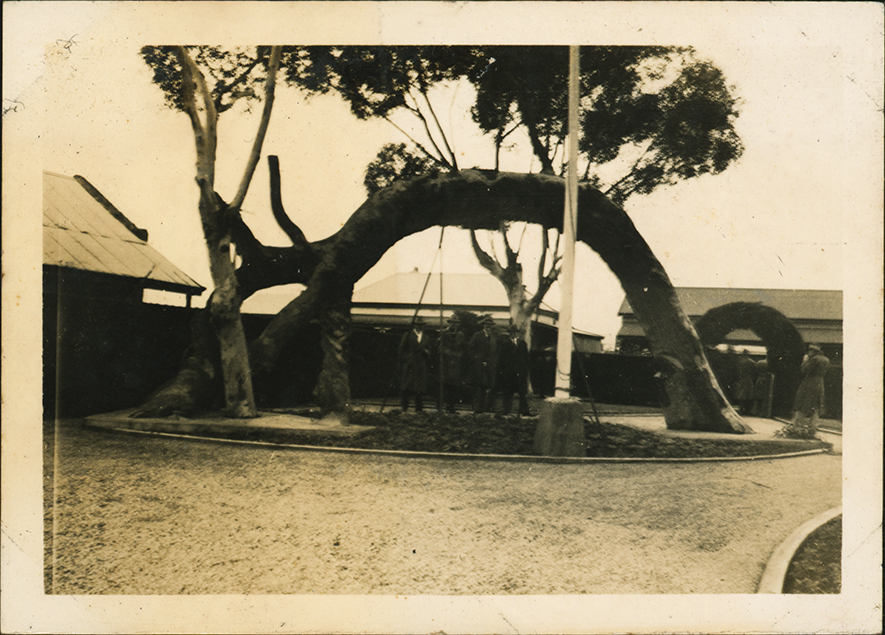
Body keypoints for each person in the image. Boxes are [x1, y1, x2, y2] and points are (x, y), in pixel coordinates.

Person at [791, 344, 830, 432]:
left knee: (803, 402)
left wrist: (805, 361)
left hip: (810, 382)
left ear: (813, 351)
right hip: (820, 383)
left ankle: (797, 426)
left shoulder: (814, 359)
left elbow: (804, 370)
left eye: (810, 351)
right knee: (816, 404)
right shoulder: (826, 359)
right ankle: (813, 426)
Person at [496, 324, 530, 416]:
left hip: (520, 372)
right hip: (509, 372)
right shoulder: (504, 344)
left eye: (514, 332)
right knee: (508, 392)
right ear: (508, 333)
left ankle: (524, 410)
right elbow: (501, 359)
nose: (513, 334)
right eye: (511, 332)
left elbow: (526, 358)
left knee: (522, 392)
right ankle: (506, 409)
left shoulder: (522, 344)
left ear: (517, 333)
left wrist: (524, 369)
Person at [398, 317, 431, 412]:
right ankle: (405, 407)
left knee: (419, 388)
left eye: (422, 325)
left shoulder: (425, 337)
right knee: (406, 386)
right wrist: (407, 358)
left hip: (421, 364)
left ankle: (419, 409)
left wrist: (426, 352)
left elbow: (430, 350)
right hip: (410, 364)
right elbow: (401, 349)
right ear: (415, 325)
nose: (420, 327)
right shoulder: (408, 335)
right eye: (418, 325)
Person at [468, 316, 498, 414]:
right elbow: (471, 349)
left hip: (490, 365)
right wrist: (478, 359)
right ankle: (477, 407)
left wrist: (493, 361)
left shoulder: (494, 336)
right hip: (479, 365)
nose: (488, 327)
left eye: (490, 325)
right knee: (479, 387)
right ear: (483, 325)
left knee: (489, 387)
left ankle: (488, 407)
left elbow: (496, 351)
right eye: (486, 325)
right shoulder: (477, 335)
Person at [439, 314, 465, 413]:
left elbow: (463, 348)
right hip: (446, 363)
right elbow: (440, 347)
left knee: (454, 386)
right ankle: (443, 407)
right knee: (445, 386)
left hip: (456, 364)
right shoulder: (444, 333)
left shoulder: (460, 335)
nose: (454, 325)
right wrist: (450, 354)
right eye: (452, 323)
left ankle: (451, 408)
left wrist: (459, 354)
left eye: (456, 323)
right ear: (449, 323)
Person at [732, 349, 757, 414]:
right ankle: (747, 410)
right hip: (749, 379)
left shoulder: (739, 362)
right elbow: (754, 372)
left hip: (740, 379)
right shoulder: (752, 362)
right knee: (748, 396)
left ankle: (741, 409)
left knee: (741, 396)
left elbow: (736, 371)